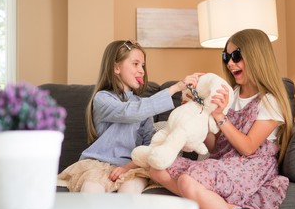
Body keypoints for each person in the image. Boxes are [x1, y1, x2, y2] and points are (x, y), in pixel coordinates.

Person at [150, 29, 293, 209]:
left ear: (256, 56)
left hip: (251, 167)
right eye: (226, 57)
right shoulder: (231, 94)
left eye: (236, 56)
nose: (230, 63)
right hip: (224, 162)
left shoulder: (269, 101)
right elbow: (216, 146)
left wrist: (219, 116)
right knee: (157, 167)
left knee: (187, 180)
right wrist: (200, 114)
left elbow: (248, 147)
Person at [58, 40, 201, 194]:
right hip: (97, 164)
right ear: (116, 67)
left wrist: (127, 167)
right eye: (135, 64)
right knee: (90, 190)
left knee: (130, 193)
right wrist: (177, 87)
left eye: (143, 66)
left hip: (131, 166)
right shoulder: (102, 98)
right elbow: (130, 112)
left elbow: (148, 145)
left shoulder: (143, 105)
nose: (141, 71)